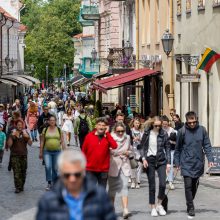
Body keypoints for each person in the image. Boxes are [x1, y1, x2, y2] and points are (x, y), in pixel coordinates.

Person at [36, 150, 117, 220]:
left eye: (77, 174)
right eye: (67, 175)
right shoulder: (48, 200)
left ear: (83, 172)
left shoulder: (100, 196)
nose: (72, 179)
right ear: (61, 174)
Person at [174, 111, 214, 219]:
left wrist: (210, 159)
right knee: (187, 186)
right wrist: (177, 162)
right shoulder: (182, 131)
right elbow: (177, 149)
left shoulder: (202, 130)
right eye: (190, 122)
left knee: (194, 186)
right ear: (186, 121)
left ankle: (189, 201)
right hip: (186, 163)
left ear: (196, 120)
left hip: (198, 163)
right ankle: (190, 207)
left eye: (194, 122)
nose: (192, 124)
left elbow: (207, 146)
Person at [139, 116, 171, 217]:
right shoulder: (147, 133)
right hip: (150, 160)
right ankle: (153, 207)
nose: (158, 127)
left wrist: (169, 163)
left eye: (159, 125)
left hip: (161, 160)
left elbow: (168, 148)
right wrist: (143, 158)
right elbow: (142, 147)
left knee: (162, 184)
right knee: (152, 185)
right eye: (156, 125)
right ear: (152, 124)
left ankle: (159, 205)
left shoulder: (164, 134)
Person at [82, 117, 117, 188]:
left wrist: (107, 133)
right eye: (99, 125)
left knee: (102, 191)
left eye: (103, 125)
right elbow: (83, 151)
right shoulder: (89, 136)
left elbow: (114, 146)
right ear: (96, 126)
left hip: (103, 170)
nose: (101, 127)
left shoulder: (107, 137)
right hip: (90, 169)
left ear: (106, 127)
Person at [109, 122, 132, 219]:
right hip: (114, 164)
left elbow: (131, 150)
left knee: (125, 187)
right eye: (118, 131)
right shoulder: (110, 137)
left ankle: (125, 209)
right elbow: (110, 150)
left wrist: (129, 152)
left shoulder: (127, 137)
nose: (121, 133)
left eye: (122, 131)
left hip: (125, 164)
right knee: (112, 189)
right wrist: (121, 152)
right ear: (115, 130)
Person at [39, 115, 66, 190]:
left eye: (53, 120)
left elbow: (63, 142)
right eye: (50, 120)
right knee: (48, 167)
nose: (52, 121)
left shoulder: (59, 130)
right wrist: (40, 152)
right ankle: (49, 183)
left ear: (55, 121)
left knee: (55, 168)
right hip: (47, 151)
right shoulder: (45, 129)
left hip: (57, 151)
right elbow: (42, 141)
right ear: (48, 121)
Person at [7, 120, 32, 193]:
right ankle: (17, 187)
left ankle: (21, 185)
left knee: (23, 172)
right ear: (16, 125)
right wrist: (12, 136)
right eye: (18, 125)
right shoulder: (13, 133)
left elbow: (30, 143)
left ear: (23, 125)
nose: (20, 126)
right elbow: (9, 145)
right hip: (15, 155)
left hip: (23, 155)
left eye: (21, 125)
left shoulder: (25, 133)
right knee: (16, 172)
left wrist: (27, 137)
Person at [161, 115, 177, 190]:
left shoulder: (172, 131)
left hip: (171, 150)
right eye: (163, 124)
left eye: (166, 124)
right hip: (162, 150)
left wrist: (171, 141)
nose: (165, 125)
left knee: (169, 165)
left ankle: (170, 182)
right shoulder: (159, 130)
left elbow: (177, 142)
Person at [130, 117, 143, 189]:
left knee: (139, 166)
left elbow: (144, 141)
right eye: (136, 123)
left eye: (138, 123)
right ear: (133, 123)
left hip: (139, 151)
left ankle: (138, 181)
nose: (137, 124)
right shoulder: (131, 131)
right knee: (133, 166)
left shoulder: (141, 131)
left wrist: (140, 139)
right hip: (132, 151)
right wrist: (133, 139)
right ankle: (133, 181)